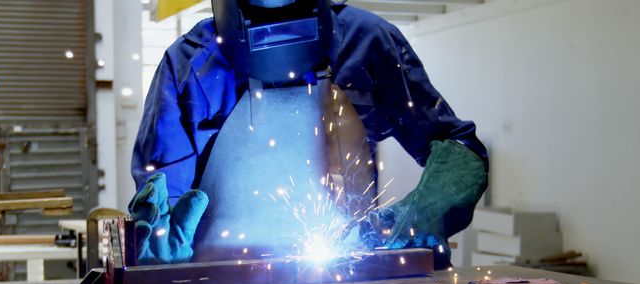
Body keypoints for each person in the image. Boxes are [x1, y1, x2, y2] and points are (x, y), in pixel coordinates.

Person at [130, 0, 488, 269]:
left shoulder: (367, 42)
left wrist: (426, 211)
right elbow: (166, 195)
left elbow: (459, 146)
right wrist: (161, 247)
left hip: (349, 277)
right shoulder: (190, 64)